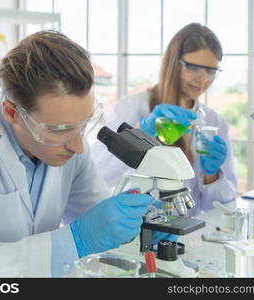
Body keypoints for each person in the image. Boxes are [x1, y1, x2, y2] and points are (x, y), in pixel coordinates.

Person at [0, 30, 172, 277]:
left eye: (83, 124)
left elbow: (100, 222)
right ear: (11, 112)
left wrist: (138, 228)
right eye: (59, 130)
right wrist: (72, 242)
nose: (78, 146)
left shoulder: (71, 143)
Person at [91, 23, 237, 215]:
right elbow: (98, 176)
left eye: (210, 71)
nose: (202, 79)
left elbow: (218, 209)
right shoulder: (132, 108)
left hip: (186, 234)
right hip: (134, 226)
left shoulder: (214, 123)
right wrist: (137, 136)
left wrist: (212, 175)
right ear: (173, 63)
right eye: (193, 68)